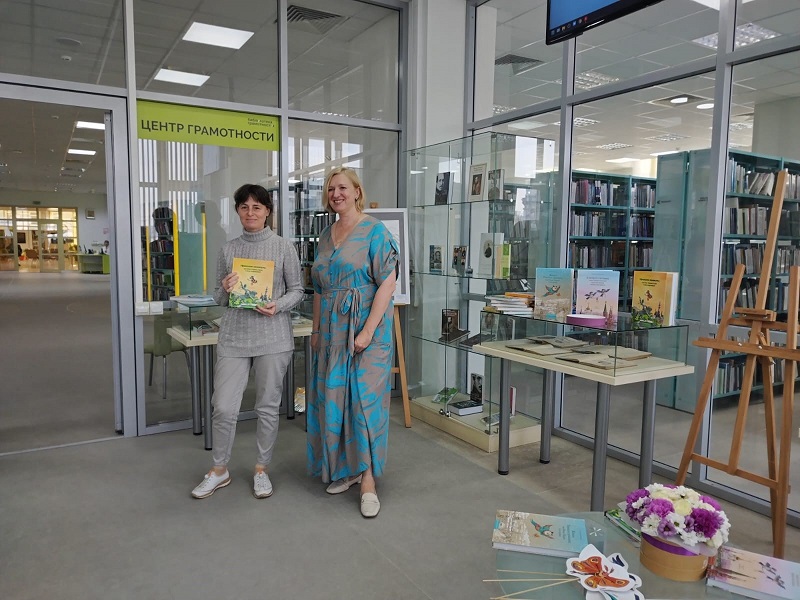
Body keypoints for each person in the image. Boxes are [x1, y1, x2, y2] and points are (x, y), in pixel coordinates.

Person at [191, 184, 304, 500]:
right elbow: (218, 297)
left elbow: (297, 290)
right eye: (244, 207)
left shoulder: (283, 247)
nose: (250, 212)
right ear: (238, 211)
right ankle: (219, 470)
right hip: (234, 338)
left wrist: (277, 305)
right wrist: (226, 288)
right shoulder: (228, 250)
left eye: (257, 207)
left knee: (267, 406)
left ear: (267, 211)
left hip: (273, 337)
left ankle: (261, 469)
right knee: (223, 406)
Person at [307, 166, 398, 518]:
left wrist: (368, 331)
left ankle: (369, 482)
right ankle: (348, 469)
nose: (337, 194)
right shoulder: (325, 235)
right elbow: (320, 288)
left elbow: (387, 283)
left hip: (366, 329)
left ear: (357, 191)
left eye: (343, 188)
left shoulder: (375, 231)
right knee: (336, 401)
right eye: (331, 189)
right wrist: (316, 330)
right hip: (332, 331)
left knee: (363, 404)